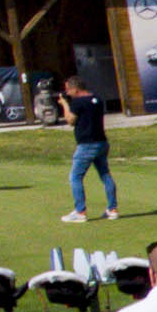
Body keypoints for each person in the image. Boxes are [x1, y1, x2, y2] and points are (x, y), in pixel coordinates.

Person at [62, 73, 118, 223]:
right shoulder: (97, 99)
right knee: (105, 174)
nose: (67, 93)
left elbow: (70, 121)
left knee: (75, 177)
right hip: (101, 142)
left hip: (86, 145)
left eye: (68, 90)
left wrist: (65, 104)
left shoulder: (77, 102)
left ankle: (80, 212)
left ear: (75, 89)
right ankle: (112, 209)